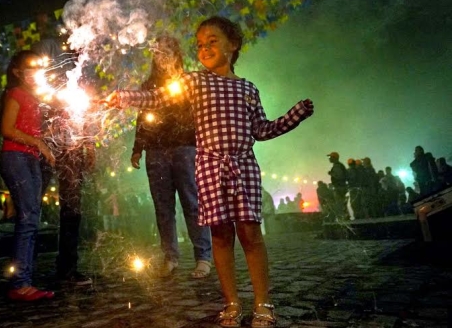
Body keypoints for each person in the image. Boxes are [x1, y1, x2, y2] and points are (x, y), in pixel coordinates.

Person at [102, 16, 314, 328]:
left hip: (244, 166)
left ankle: (263, 302)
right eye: (200, 44)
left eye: (213, 41)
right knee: (221, 236)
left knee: (251, 234)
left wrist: (294, 116)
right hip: (209, 167)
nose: (205, 48)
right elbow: (156, 98)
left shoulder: (247, 89)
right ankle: (231, 304)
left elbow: (262, 129)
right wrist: (122, 97)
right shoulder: (193, 82)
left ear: (234, 45)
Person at [130, 35, 212, 279]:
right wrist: (137, 147)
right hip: (155, 150)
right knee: (163, 207)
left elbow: (202, 115)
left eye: (167, 51)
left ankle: (203, 257)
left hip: (185, 148)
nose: (162, 56)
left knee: (192, 202)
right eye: (158, 52)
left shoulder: (189, 82)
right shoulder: (148, 86)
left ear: (177, 55)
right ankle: (170, 257)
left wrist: (204, 144)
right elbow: (143, 117)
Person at [31, 20, 95, 286]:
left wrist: (89, 142)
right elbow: (33, 85)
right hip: (46, 138)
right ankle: (25, 271)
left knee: (72, 206)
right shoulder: (46, 48)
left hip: (74, 141)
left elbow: (89, 100)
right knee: (33, 200)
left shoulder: (85, 58)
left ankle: (67, 268)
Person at [0, 50, 56, 302]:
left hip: (31, 159)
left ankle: (25, 280)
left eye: (38, 67)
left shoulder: (37, 97)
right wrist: (38, 143)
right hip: (16, 158)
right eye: (29, 68)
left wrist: (45, 146)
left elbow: (34, 130)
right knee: (27, 218)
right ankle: (20, 283)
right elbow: (6, 129)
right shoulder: (16, 94)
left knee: (32, 218)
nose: (35, 72)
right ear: (17, 72)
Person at [326, 152, 348, 221]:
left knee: (339, 203)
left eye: (330, 157)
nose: (329, 159)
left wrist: (331, 173)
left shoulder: (337, 166)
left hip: (339, 187)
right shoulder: (339, 165)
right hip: (341, 186)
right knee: (340, 203)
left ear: (334, 158)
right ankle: (341, 217)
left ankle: (340, 219)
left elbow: (339, 176)